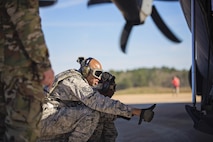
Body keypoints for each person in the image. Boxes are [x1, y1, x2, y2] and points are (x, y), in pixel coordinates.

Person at [38, 57, 156, 142]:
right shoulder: (74, 81)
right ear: (86, 71)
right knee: (91, 114)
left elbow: (102, 105)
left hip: (52, 121)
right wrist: (134, 111)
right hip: (43, 122)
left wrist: (126, 113)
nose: (99, 78)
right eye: (97, 73)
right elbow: (97, 102)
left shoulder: (81, 83)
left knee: (102, 113)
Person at [0, 0, 54, 141]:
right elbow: (28, 25)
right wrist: (44, 66)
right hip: (19, 73)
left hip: (5, 72)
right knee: (23, 131)